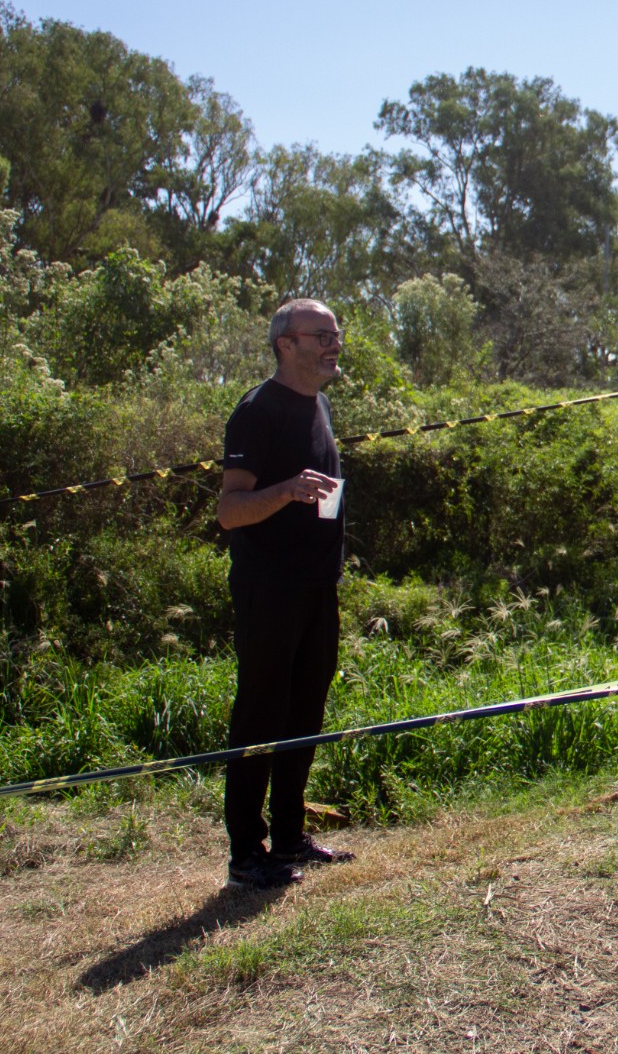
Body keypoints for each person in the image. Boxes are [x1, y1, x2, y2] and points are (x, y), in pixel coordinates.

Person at [216, 298, 357, 890]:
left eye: (336, 335)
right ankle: (247, 853)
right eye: (321, 336)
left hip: (316, 590)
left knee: (304, 715)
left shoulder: (319, 403)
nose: (334, 345)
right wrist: (287, 490)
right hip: (268, 591)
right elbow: (229, 512)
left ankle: (291, 836)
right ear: (286, 344)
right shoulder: (256, 410)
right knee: (260, 718)